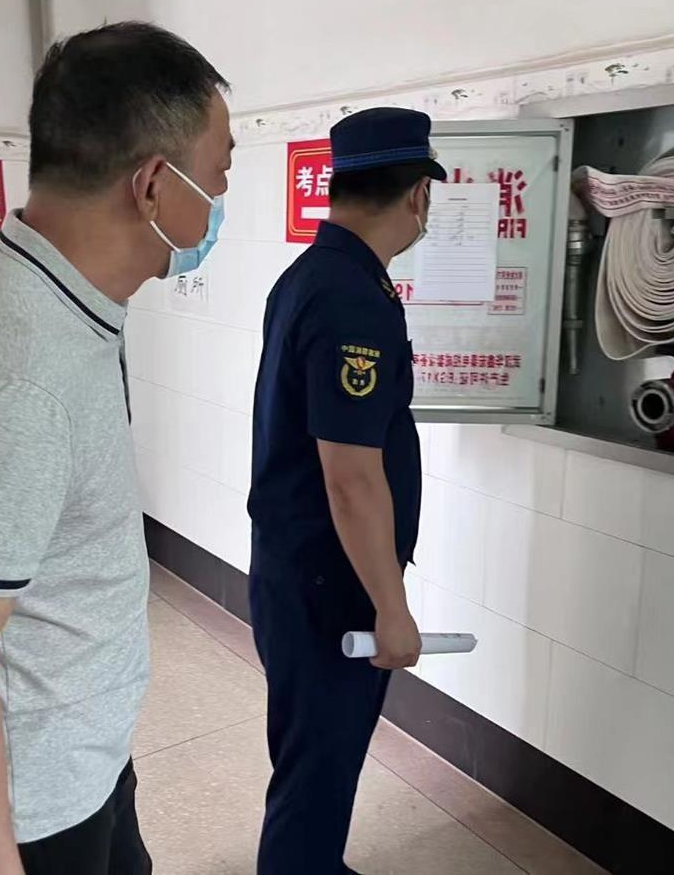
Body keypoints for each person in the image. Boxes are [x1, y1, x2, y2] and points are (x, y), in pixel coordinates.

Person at [0, 22, 232, 875]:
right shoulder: (17, 376)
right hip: (19, 814)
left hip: (76, 763)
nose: (222, 200)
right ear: (156, 185)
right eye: (220, 175)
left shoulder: (46, 296)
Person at [247, 107, 444, 874]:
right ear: (417, 194)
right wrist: (391, 607)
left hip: (307, 571)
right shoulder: (350, 298)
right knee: (317, 774)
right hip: (333, 588)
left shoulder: (313, 276)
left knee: (318, 764)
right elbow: (352, 477)